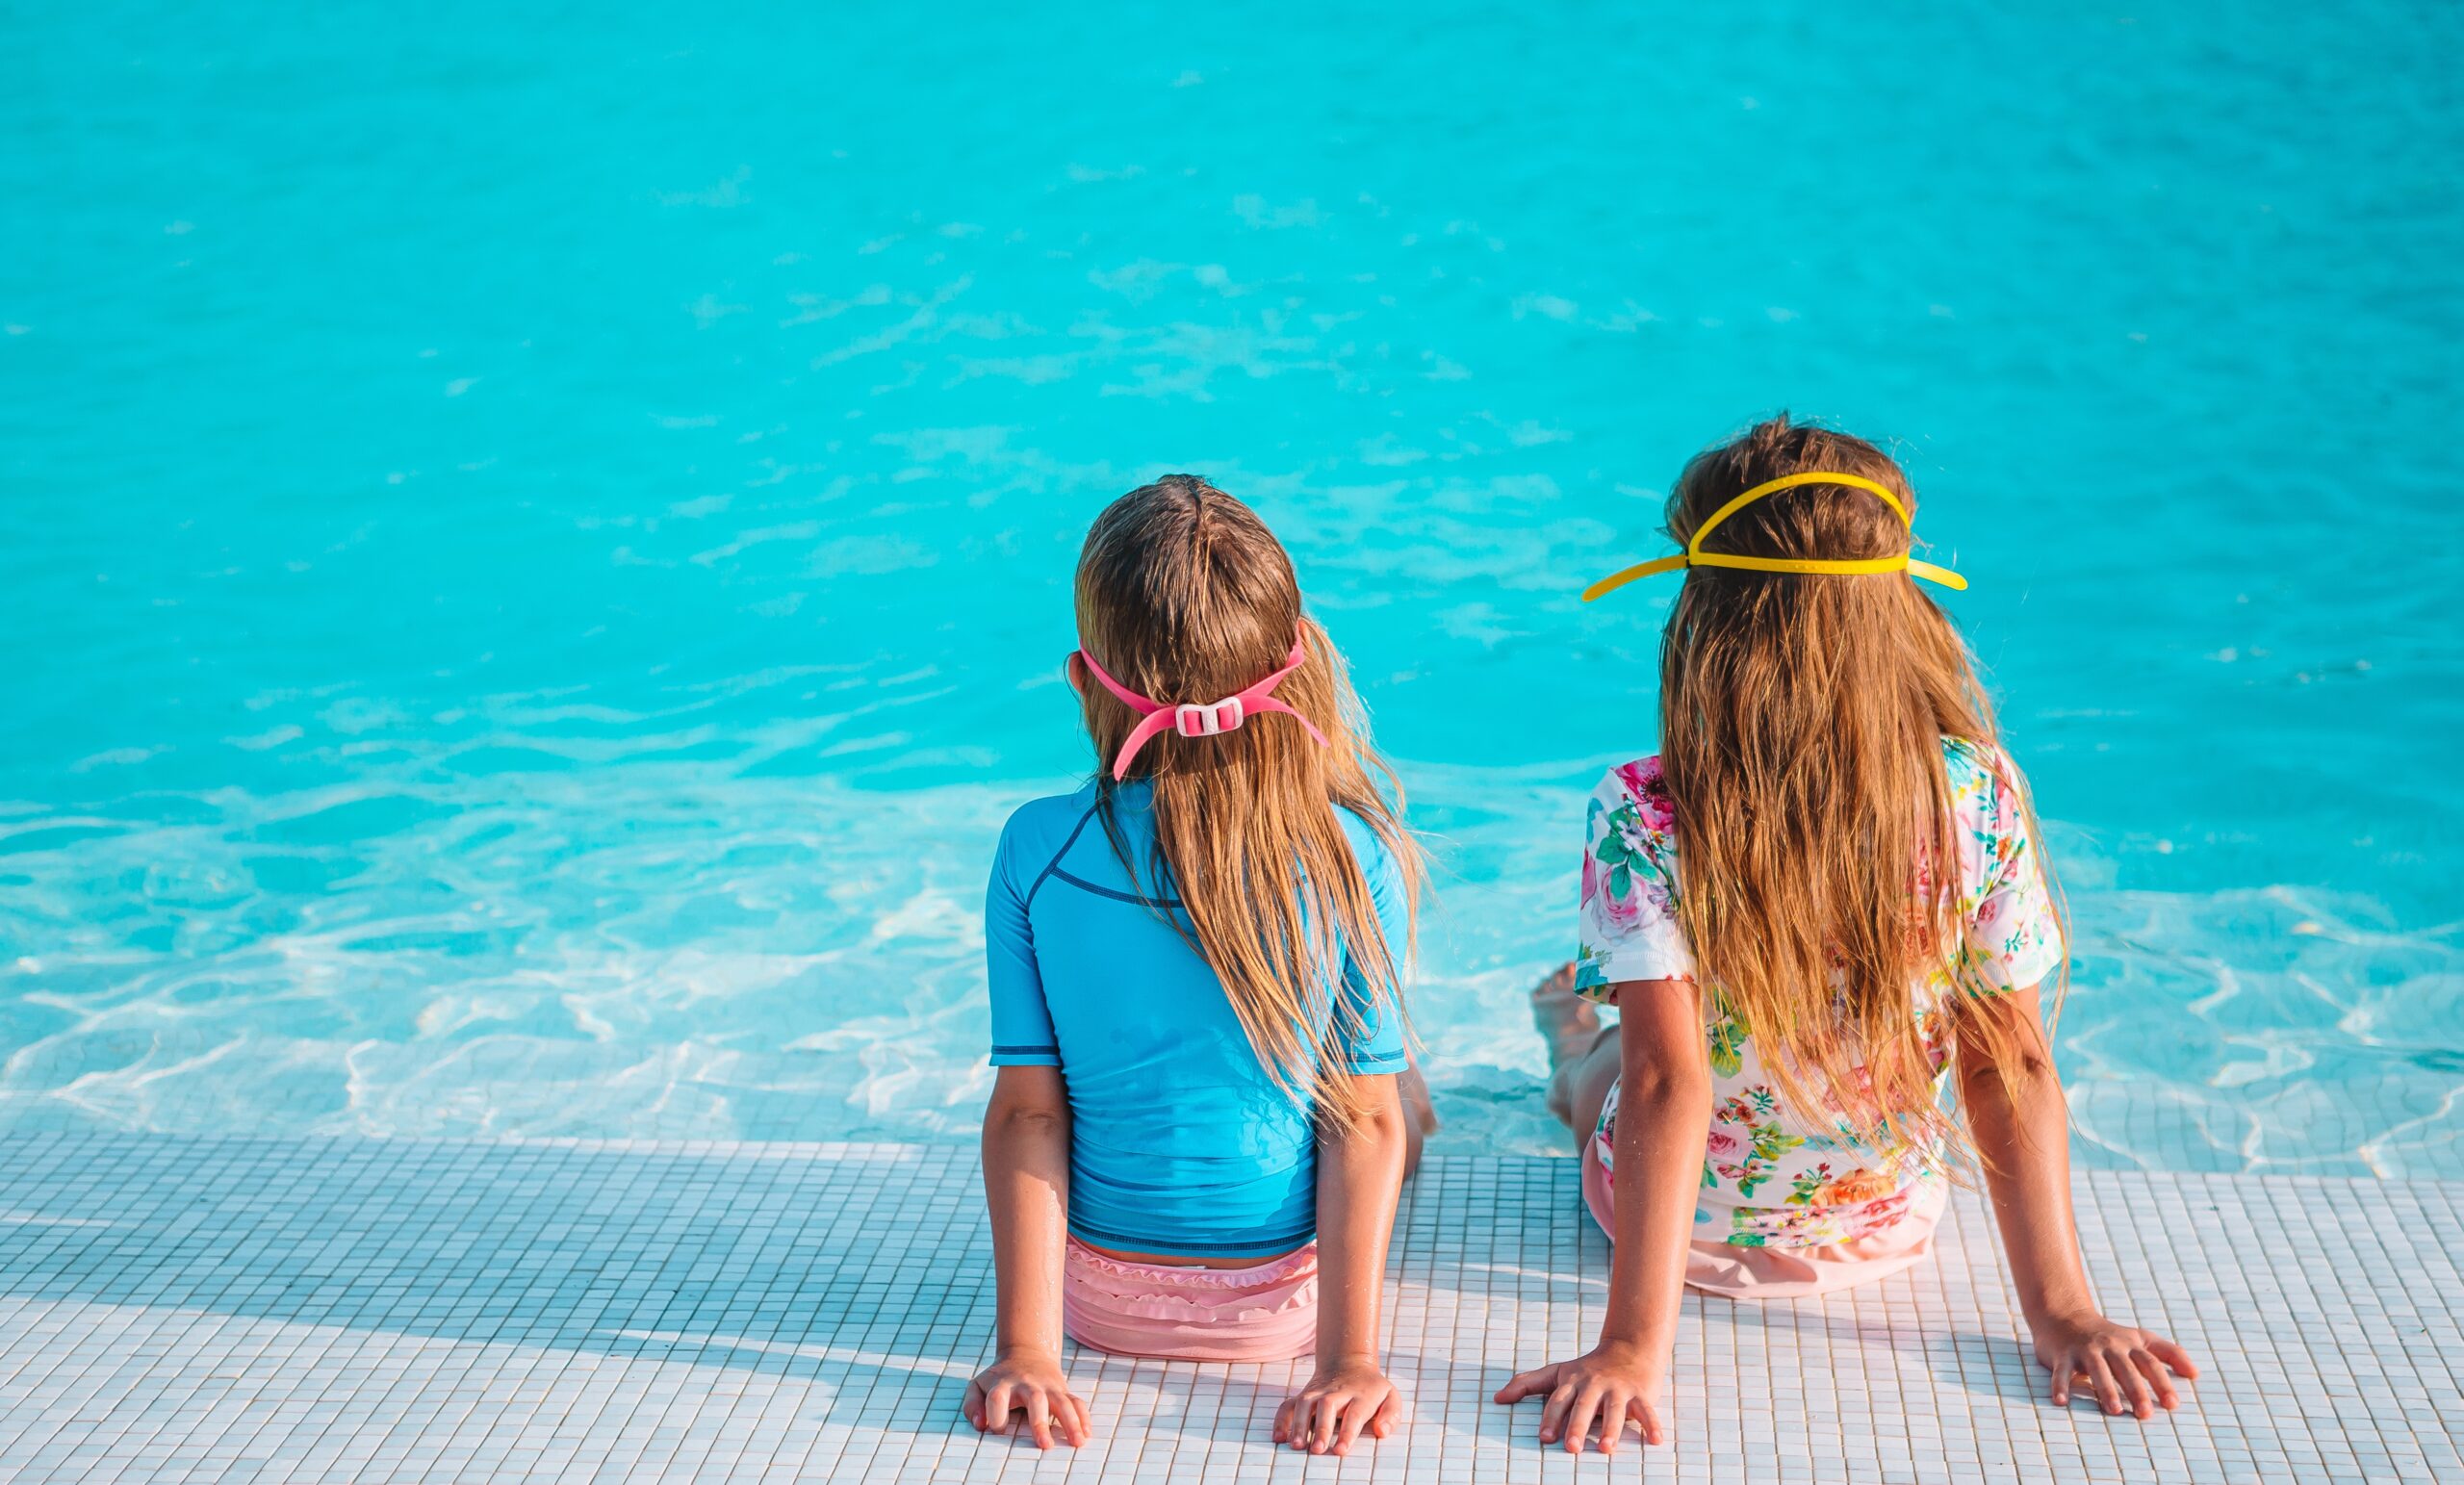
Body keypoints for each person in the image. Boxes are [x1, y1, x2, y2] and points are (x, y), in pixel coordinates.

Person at [1500, 416, 2199, 1452]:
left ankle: (1569, 1037)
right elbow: (2007, 1055)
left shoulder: (1646, 807)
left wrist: (1633, 1346)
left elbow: (1666, 1088)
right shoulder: (1977, 792)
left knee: (1613, 1068)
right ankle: (1585, 1020)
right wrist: (2063, 1314)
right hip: (1881, 1222)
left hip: (1687, 1228)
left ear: (1705, 610)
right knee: (1652, 1050)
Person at [963, 474, 1435, 1455]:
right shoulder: (1352, 851)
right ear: (1294, 662)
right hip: (1287, 1312)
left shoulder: (1035, 847)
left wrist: (1028, 1349)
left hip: (1099, 1304)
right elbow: (1368, 1125)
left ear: (1082, 680)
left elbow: (1027, 1112)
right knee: (1397, 1094)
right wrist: (1346, 1362)